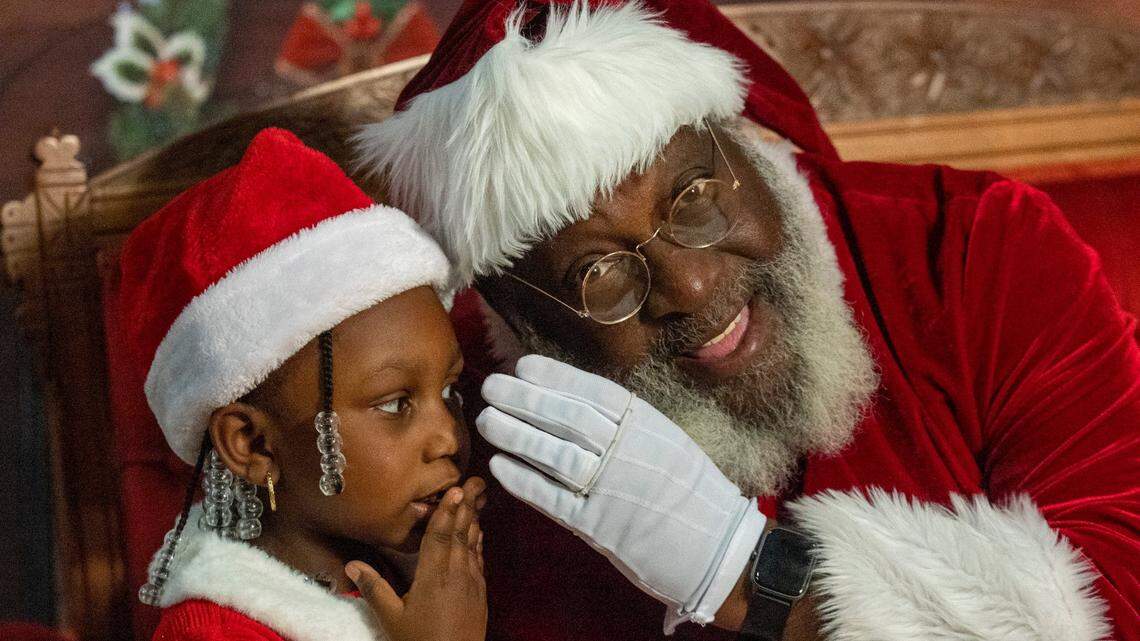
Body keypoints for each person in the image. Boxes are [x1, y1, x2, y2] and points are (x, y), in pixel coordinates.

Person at [354, 1, 1140, 640]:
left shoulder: (974, 249)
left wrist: (753, 577)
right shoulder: (450, 423)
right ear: (519, 320)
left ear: (743, 143)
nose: (692, 288)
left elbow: (1121, 587)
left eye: (694, 196)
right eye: (599, 274)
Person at [119, 128, 488, 641]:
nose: (448, 437)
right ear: (252, 444)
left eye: (449, 392)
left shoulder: (423, 583)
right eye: (395, 403)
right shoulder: (211, 633)